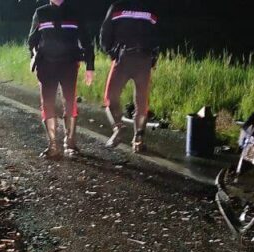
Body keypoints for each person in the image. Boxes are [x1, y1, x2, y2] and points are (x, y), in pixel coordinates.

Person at [28, 0, 95, 159]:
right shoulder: (40, 13)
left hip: (69, 64)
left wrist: (90, 66)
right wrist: (33, 57)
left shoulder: (75, 12)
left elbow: (86, 40)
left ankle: (70, 143)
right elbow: (32, 40)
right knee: (47, 103)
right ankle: (52, 146)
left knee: (70, 101)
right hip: (46, 65)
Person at [100, 0, 159, 153]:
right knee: (112, 97)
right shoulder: (118, 6)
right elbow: (105, 32)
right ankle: (122, 131)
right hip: (125, 58)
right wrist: (111, 52)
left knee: (140, 101)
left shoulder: (149, 7)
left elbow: (157, 34)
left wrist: (154, 56)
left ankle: (136, 137)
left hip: (141, 60)